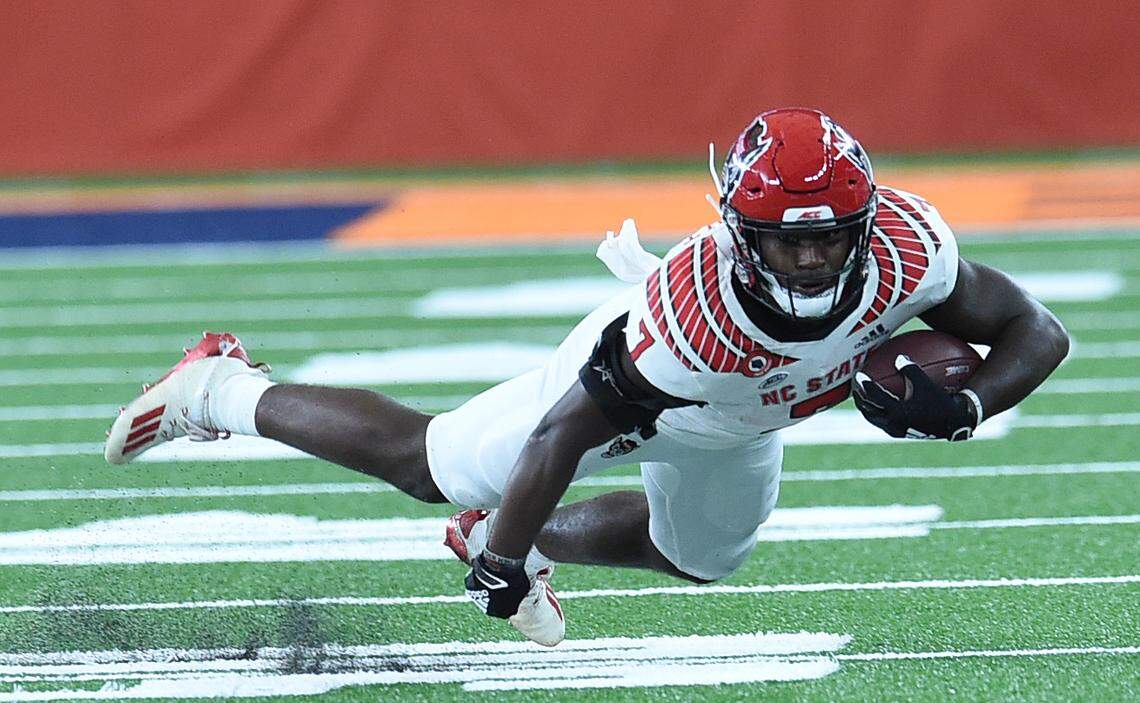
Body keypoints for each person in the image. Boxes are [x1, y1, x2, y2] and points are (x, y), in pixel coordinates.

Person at [104, 108, 1069, 647]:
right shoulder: (692, 317)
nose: (811, 261)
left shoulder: (908, 248)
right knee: (430, 462)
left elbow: (1037, 328)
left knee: (703, 557)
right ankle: (219, 388)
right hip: (659, 383)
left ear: (864, 223)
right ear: (740, 229)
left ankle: (497, 530)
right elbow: (563, 434)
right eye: (786, 239)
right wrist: (504, 564)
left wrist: (973, 400)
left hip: (739, 422)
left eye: (827, 239)